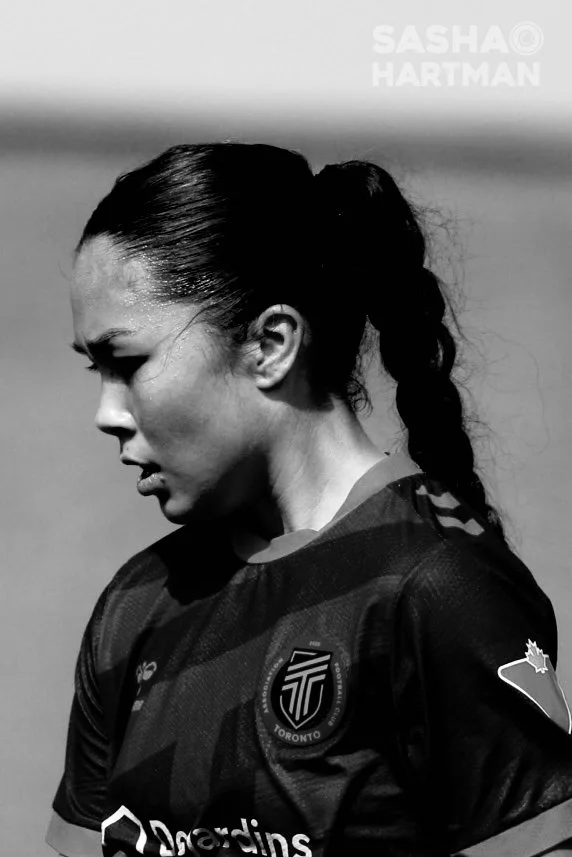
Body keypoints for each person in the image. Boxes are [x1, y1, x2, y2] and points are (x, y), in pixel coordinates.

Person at [46, 142, 572, 857]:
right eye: (94, 368)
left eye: (126, 362)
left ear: (270, 343)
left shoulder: (435, 590)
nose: (105, 411)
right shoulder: (136, 605)